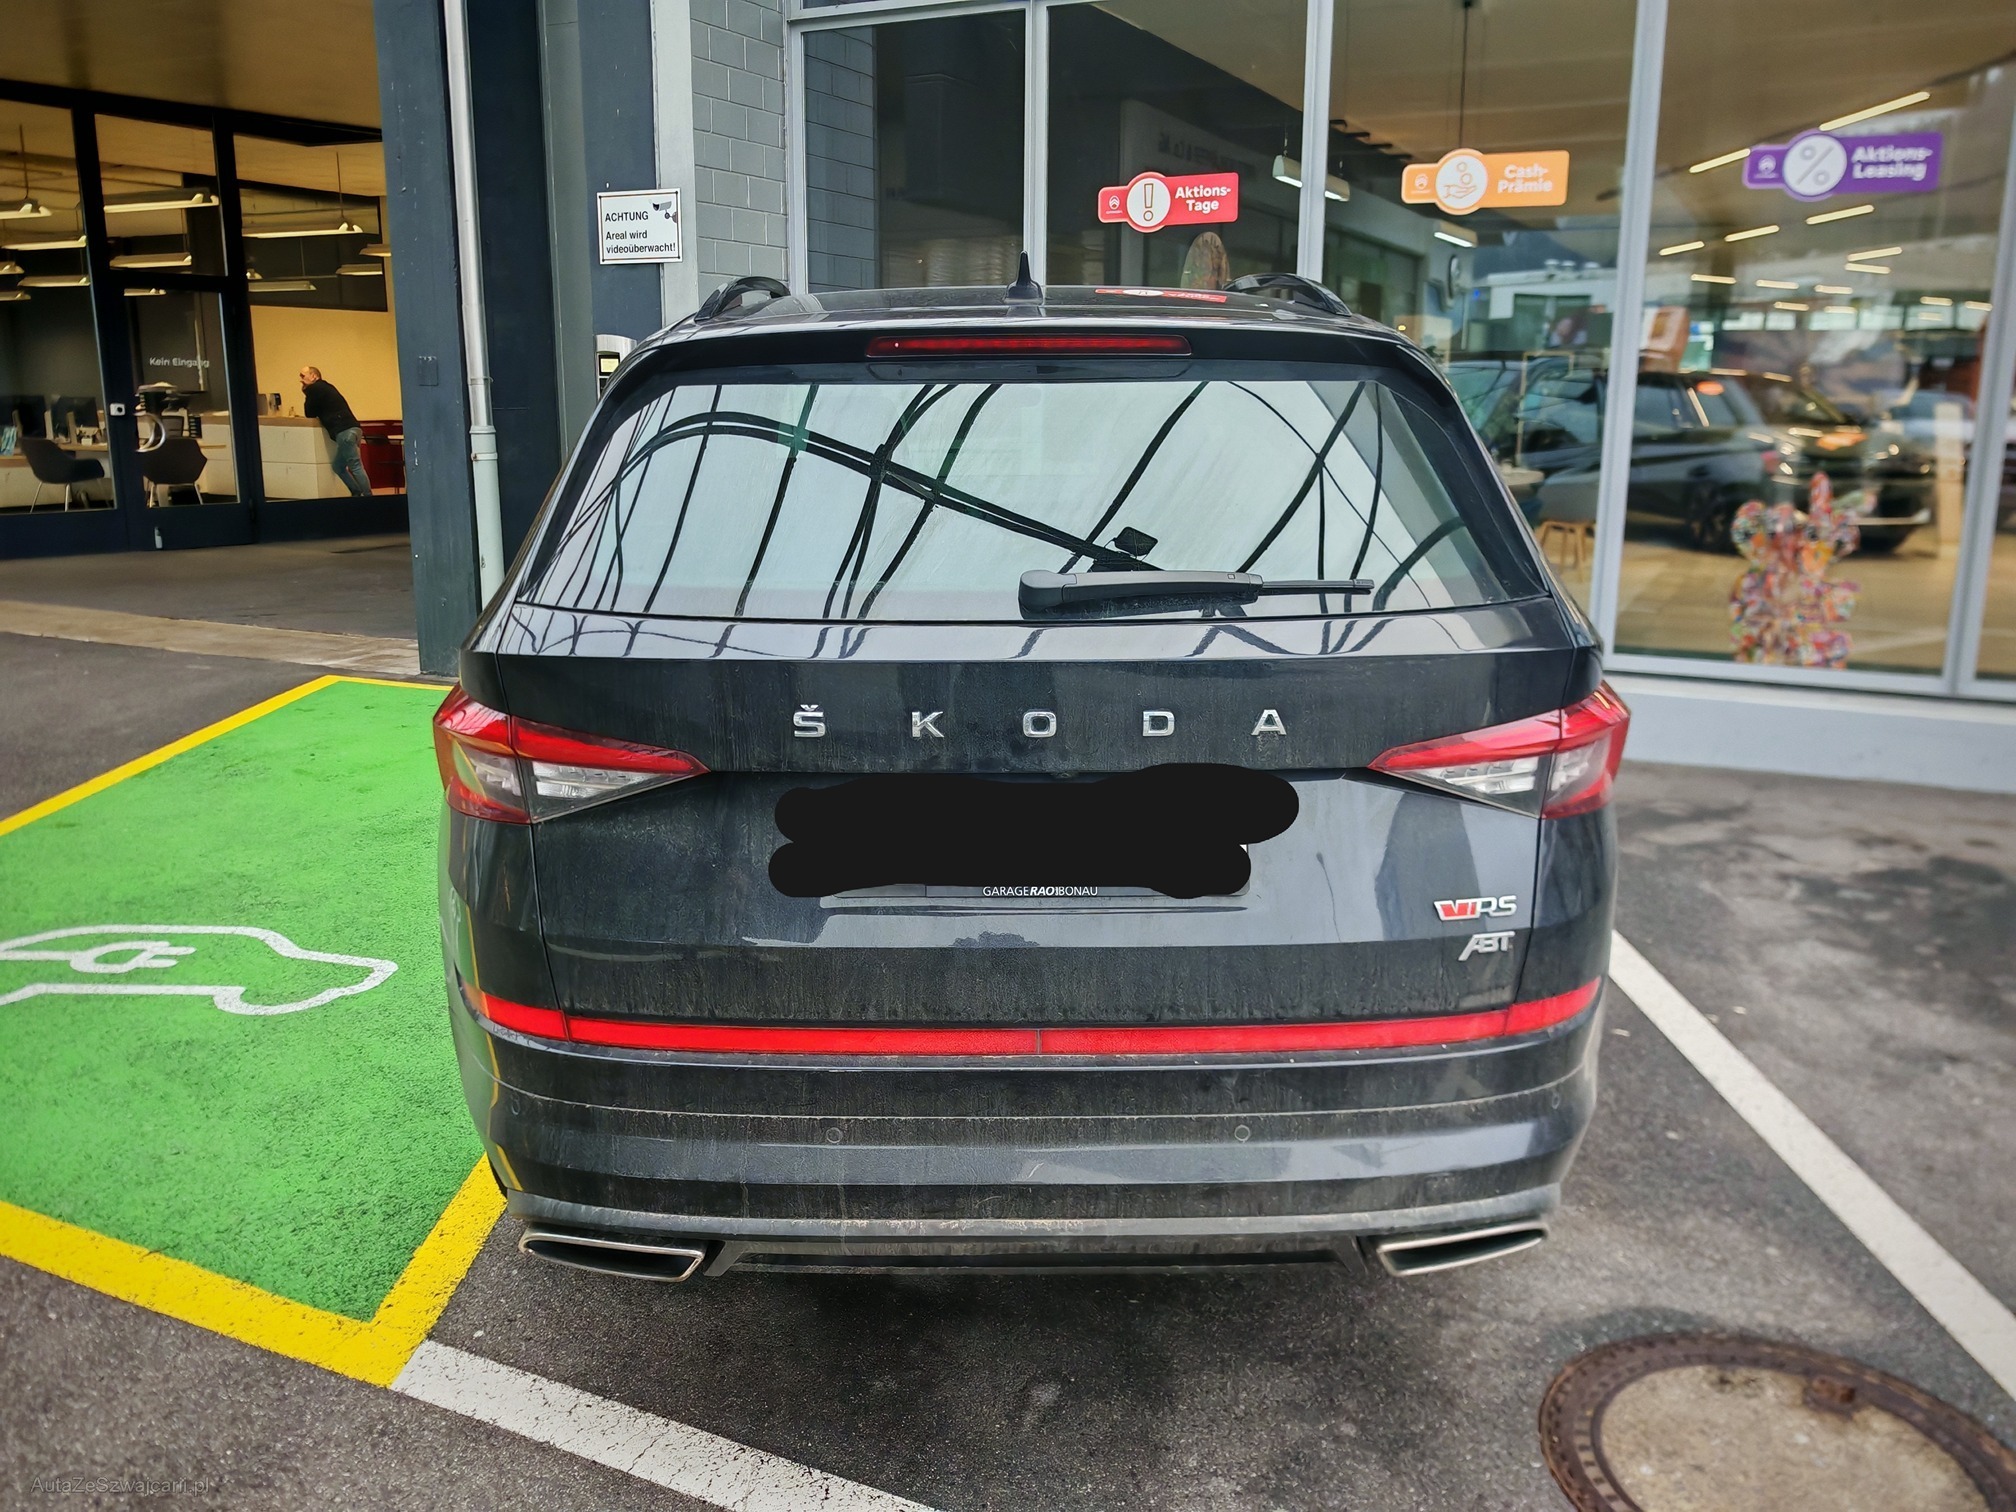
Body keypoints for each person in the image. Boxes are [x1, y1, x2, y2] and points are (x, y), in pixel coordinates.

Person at [298, 366, 371, 498]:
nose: (301, 380)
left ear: (314, 376)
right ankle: (356, 492)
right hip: (354, 429)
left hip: (343, 431)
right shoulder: (327, 387)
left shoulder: (314, 388)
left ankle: (368, 497)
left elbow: (309, 413)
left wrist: (306, 391)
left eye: (303, 376)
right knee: (338, 466)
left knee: (355, 466)